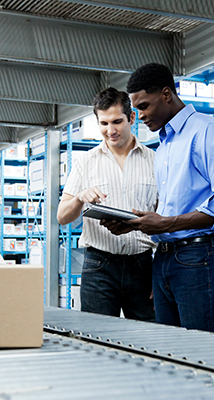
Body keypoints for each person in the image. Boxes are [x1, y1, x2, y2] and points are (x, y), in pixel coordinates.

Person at [103, 63, 214, 333]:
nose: (140, 116)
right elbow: (171, 207)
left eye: (144, 106)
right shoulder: (165, 142)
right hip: (166, 259)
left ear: (167, 94)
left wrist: (165, 224)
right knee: (171, 354)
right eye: (136, 109)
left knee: (201, 354)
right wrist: (134, 223)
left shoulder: (207, 131)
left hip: (198, 256)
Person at [57, 87, 158, 321]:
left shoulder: (155, 161)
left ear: (132, 118)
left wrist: (160, 274)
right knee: (98, 340)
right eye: (103, 123)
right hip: (99, 265)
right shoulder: (86, 162)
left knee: (147, 342)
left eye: (117, 122)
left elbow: (164, 216)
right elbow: (62, 216)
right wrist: (80, 197)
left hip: (143, 265)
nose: (110, 131)